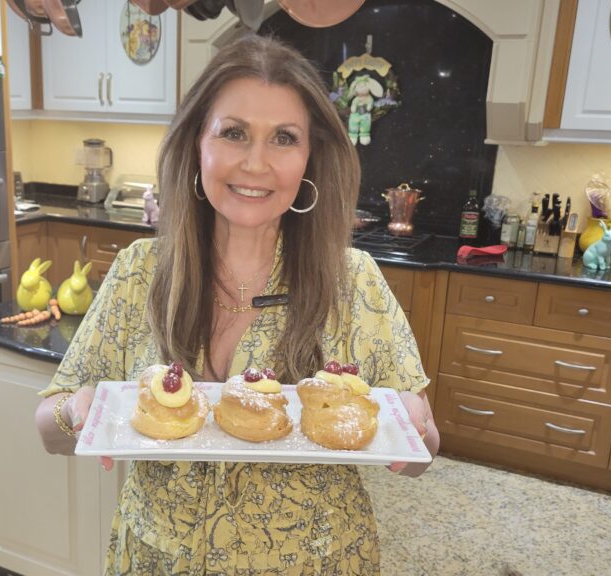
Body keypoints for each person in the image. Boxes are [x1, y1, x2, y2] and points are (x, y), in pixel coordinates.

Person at [34, 34, 439, 575]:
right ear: (196, 144)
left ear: (310, 159)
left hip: (314, 563)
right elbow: (49, 428)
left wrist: (416, 428)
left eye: (284, 139)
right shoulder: (138, 272)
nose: (255, 163)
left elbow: (421, 455)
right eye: (233, 133)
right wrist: (75, 411)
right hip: (158, 558)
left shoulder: (354, 281)